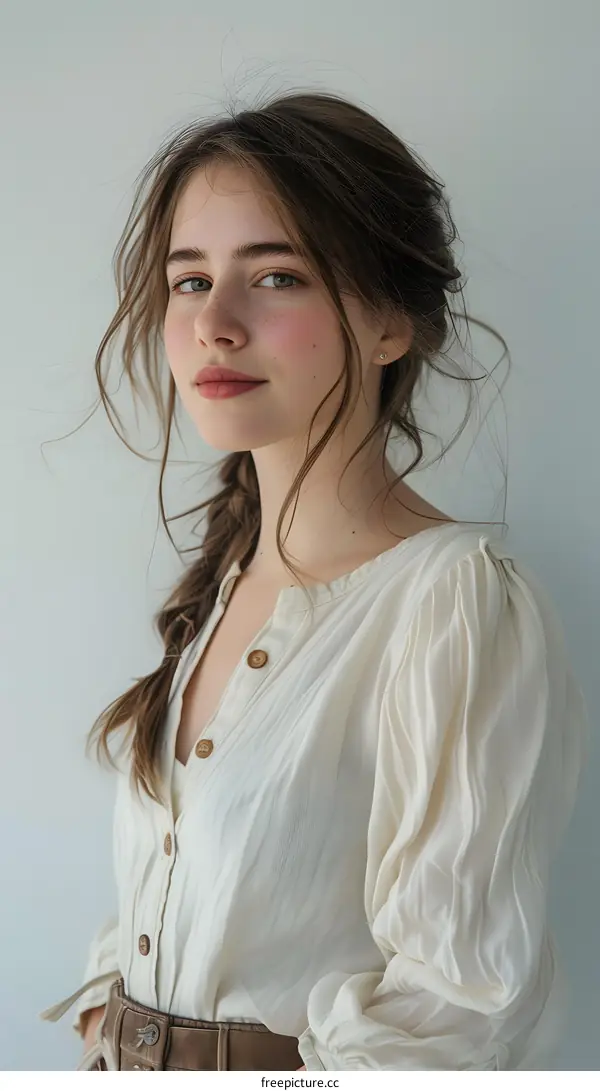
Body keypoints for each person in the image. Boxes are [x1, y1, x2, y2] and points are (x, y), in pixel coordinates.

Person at [39, 89, 589, 1071]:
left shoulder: (453, 606)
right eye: (190, 279)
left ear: (389, 323)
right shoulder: (222, 582)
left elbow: (455, 1014)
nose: (216, 322)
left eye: (277, 276)